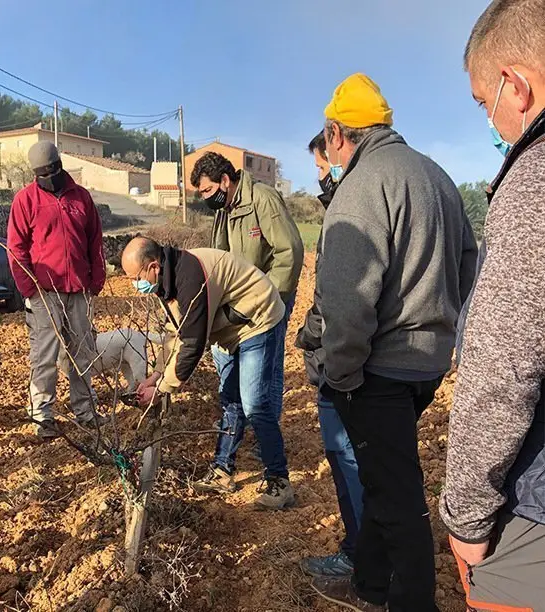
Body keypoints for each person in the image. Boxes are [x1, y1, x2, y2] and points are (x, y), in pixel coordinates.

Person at [312, 73, 478, 612]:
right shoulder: (437, 176)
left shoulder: (361, 187)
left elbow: (345, 299)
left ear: (337, 133)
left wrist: (339, 373)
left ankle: (410, 600)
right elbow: (470, 266)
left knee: (397, 497)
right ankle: (370, 584)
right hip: (427, 365)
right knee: (388, 480)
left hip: (380, 368)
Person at [440, 1, 545, 610]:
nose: (490, 118)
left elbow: (503, 366)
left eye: (484, 102)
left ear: (516, 85)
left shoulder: (531, 179)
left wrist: (468, 517)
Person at [122, 237, 295, 509]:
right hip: (230, 325)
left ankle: (280, 482)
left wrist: (163, 388)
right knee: (230, 400)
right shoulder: (165, 282)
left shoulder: (189, 277)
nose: (135, 285)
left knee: (254, 405)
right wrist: (156, 375)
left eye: (135, 277)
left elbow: (192, 343)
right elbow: (174, 332)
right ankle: (222, 472)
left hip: (257, 319)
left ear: (153, 266)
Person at [191, 152, 304, 427]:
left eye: (208, 189)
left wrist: (268, 296)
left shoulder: (262, 200)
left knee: (269, 367)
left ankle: (266, 432)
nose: (205, 197)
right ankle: (236, 424)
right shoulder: (223, 210)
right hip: (238, 301)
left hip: (270, 298)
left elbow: (289, 252)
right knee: (229, 358)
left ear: (226, 180)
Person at [295, 131, 363, 579]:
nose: (321, 177)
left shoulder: (354, 209)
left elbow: (340, 298)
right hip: (357, 358)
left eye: (322, 168)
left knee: (347, 457)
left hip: (346, 363)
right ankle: (364, 551)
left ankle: (361, 555)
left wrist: (313, 341)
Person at [7, 141, 106, 439]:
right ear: (35, 173)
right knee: (45, 356)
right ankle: (42, 415)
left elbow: (94, 241)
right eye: (42, 173)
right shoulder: (25, 200)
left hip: (78, 289)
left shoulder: (81, 198)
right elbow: (17, 248)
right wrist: (30, 289)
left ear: (60, 166)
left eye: (52, 170)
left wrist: (95, 281)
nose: (49, 176)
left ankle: (85, 411)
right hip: (44, 292)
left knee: (82, 353)